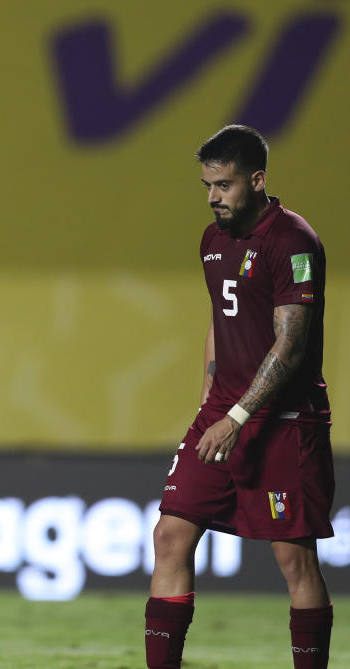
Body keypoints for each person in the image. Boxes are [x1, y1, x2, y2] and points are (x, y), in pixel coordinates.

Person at [146, 125, 334, 668]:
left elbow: (291, 344)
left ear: (257, 180)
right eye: (207, 185)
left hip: (284, 421)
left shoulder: (292, 241)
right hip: (224, 410)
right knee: (170, 535)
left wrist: (237, 414)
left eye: (224, 185)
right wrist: (211, 391)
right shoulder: (213, 239)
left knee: (294, 560)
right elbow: (219, 315)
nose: (213, 197)